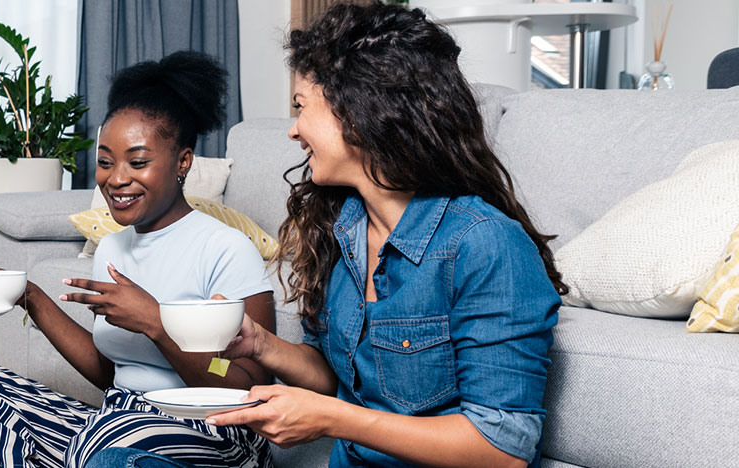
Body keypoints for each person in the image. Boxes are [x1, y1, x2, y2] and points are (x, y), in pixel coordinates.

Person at [92, 4, 565, 468]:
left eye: (301, 107)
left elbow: (501, 451)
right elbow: (329, 374)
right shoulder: (345, 234)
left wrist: (334, 419)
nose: (294, 130)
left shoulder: (485, 245)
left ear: (358, 111)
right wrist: (261, 345)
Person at [0, 51, 275, 468]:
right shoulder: (112, 249)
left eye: (138, 162)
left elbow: (248, 386)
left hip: (211, 431)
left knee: (107, 441)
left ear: (183, 162)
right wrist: (32, 297)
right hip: (116, 421)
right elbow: (112, 372)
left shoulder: (225, 249)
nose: (117, 178)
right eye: (106, 162)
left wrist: (156, 323)